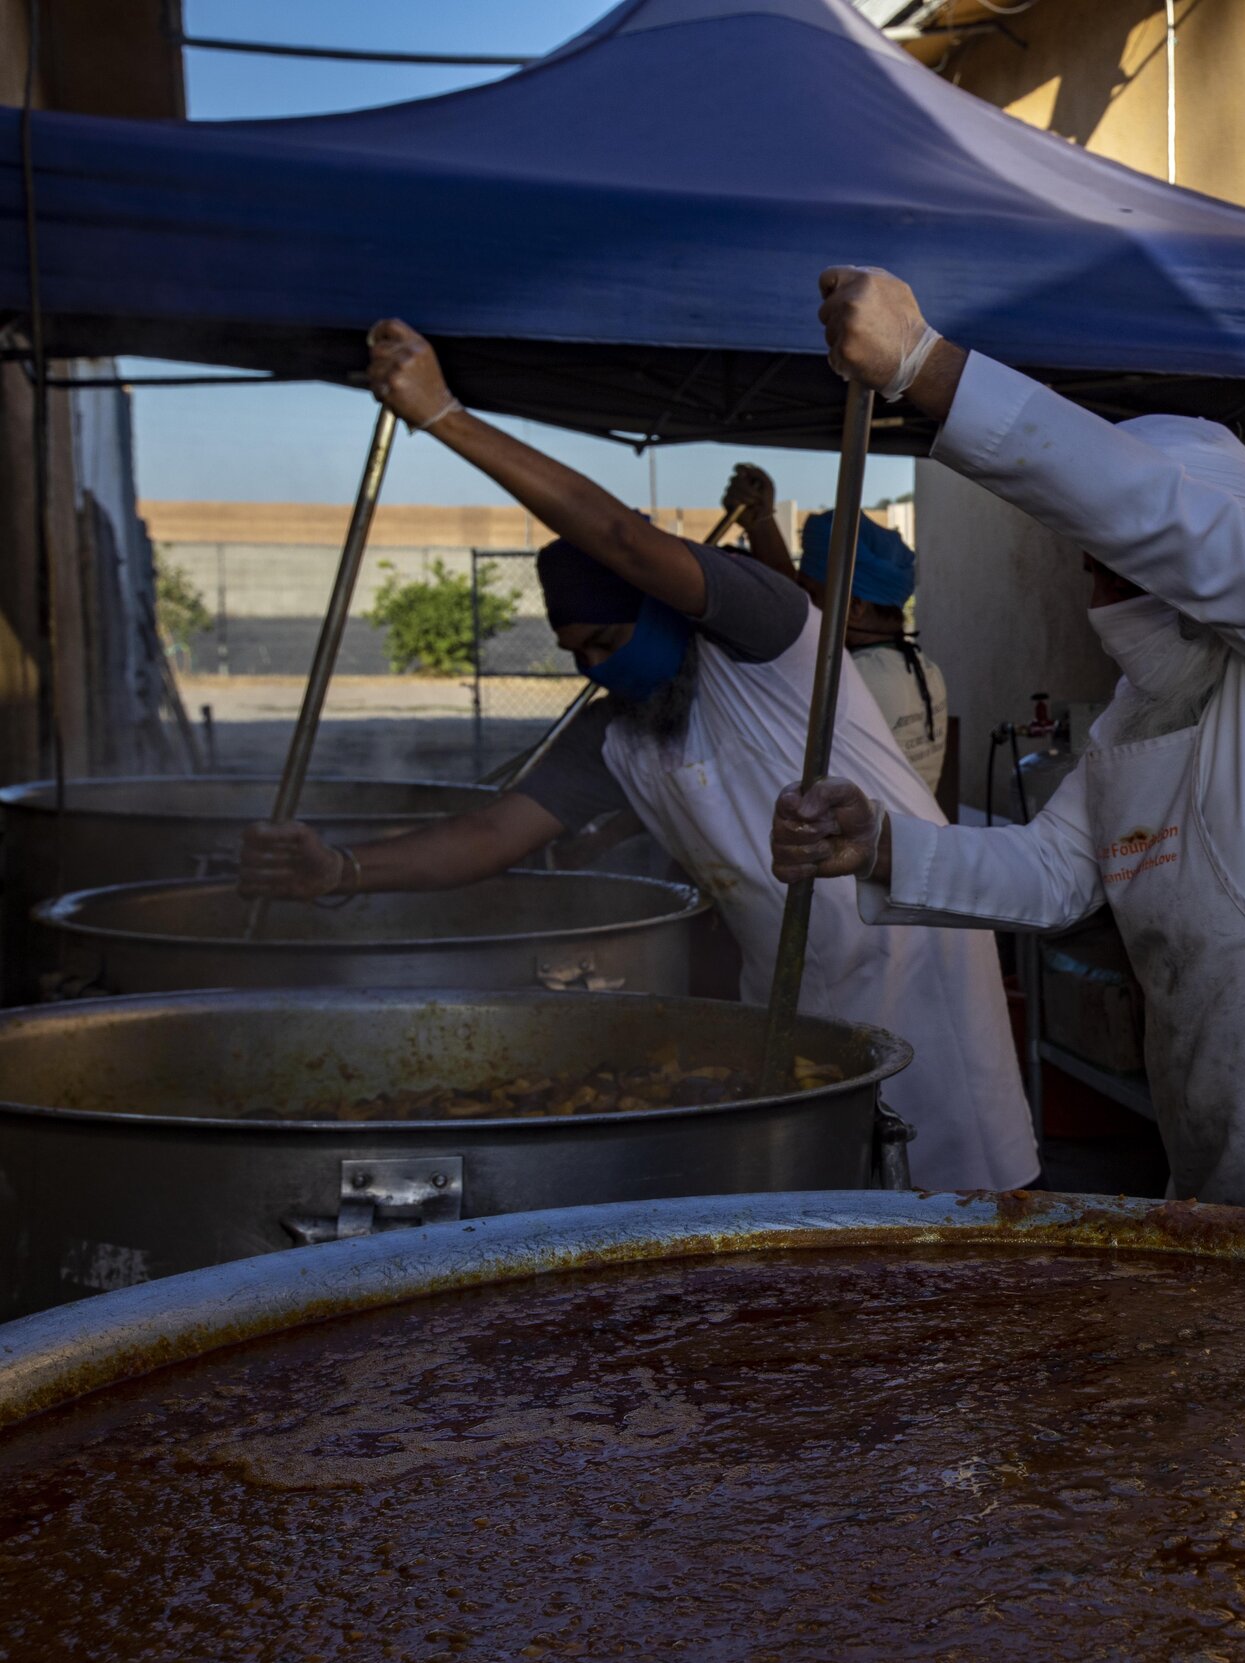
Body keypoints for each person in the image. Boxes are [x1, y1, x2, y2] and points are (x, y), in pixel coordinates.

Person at [769, 266, 1245, 1258]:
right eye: (1090, 566)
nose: (1096, 591)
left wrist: (927, 368)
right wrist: (879, 845)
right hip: (1228, 1132)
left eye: (1114, 563)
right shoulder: (1136, 715)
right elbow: (1055, 874)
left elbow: (1168, 524)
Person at [238, 319, 1037, 1194]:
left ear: (660, 606)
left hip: (911, 952)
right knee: (829, 1204)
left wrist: (445, 417)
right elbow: (490, 833)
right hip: (790, 977)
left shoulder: (764, 636)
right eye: (576, 652)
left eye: (608, 637)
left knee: (950, 1197)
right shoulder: (619, 732)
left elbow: (620, 538)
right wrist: (340, 871)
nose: (596, 666)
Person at [796, 513, 950, 801]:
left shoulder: (854, 681)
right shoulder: (926, 669)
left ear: (854, 606)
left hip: (870, 843)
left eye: (810, 593)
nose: (805, 604)